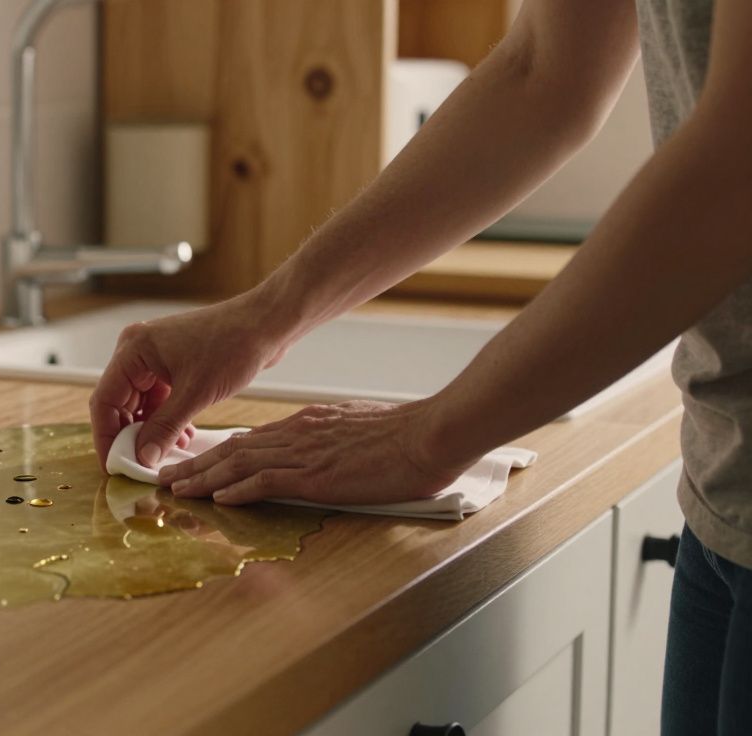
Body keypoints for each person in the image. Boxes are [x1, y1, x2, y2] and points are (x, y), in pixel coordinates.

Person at [88, 1, 750, 733]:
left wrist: (424, 439)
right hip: (722, 494)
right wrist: (264, 316)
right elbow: (543, 73)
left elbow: (735, 165)